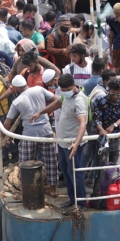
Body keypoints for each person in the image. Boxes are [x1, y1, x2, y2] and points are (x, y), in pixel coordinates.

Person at [29, 74, 88, 209]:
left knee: (75, 173)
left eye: (67, 89)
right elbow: (57, 103)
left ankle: (80, 203)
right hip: (62, 142)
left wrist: (76, 144)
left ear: (74, 85)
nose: (65, 92)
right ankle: (72, 199)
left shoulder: (79, 101)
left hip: (73, 144)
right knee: (66, 171)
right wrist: (40, 112)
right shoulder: (65, 96)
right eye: (63, 89)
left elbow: (82, 124)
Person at [3, 76, 59, 197]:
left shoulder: (17, 101)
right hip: (46, 131)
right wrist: (44, 109)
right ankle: (53, 190)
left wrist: (3, 136)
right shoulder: (39, 89)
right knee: (50, 160)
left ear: (17, 88)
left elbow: (7, 122)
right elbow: (56, 100)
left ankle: (24, 192)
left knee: (25, 162)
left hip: (29, 134)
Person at [92, 78, 120, 189]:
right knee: (101, 165)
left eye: (119, 94)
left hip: (116, 137)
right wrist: (101, 129)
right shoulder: (101, 100)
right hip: (103, 138)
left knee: (115, 164)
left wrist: (114, 126)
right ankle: (99, 190)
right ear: (109, 90)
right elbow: (96, 118)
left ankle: (113, 188)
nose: (116, 96)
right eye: (113, 93)